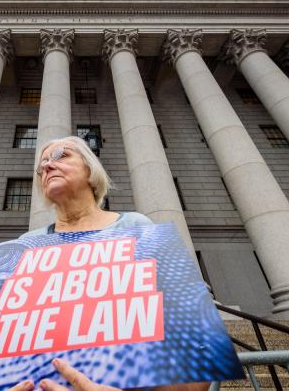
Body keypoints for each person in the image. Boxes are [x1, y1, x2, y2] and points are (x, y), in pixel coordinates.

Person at [12, 136, 209, 391]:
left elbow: (197, 354)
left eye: (62, 155)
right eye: (42, 165)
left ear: (91, 171)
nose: (48, 166)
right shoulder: (25, 246)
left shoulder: (138, 228)